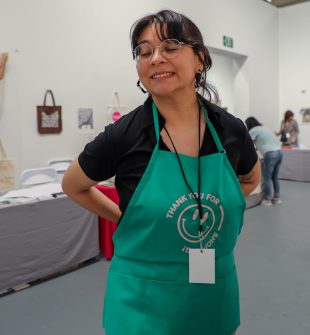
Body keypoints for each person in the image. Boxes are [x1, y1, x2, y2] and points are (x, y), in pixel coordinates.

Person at [62, 9, 260, 335]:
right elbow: (73, 185)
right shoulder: (124, 135)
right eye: (144, 51)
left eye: (170, 46)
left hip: (211, 289)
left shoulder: (229, 130)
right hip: (143, 302)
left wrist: (216, 209)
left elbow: (251, 177)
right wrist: (121, 217)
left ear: (200, 59)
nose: (155, 58)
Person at [246, 117, 283, 206]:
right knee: (274, 177)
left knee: (266, 178)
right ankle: (277, 198)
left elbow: (247, 143)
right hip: (279, 153)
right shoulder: (264, 128)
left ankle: (267, 199)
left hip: (270, 154)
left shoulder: (253, 130)